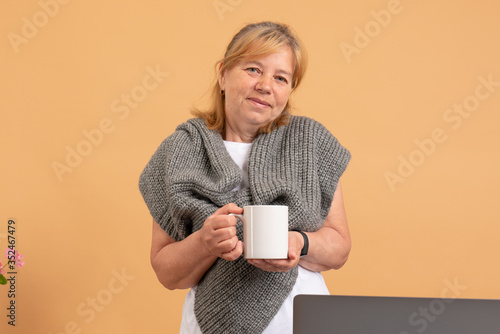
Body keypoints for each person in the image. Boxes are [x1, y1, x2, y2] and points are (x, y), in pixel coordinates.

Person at [139, 21, 351, 334]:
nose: (266, 85)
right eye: (253, 69)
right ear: (223, 73)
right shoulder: (180, 151)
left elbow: (339, 247)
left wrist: (299, 242)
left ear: (289, 90)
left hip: (301, 322)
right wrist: (204, 242)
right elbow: (167, 273)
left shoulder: (310, 145)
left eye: (281, 78)